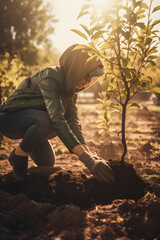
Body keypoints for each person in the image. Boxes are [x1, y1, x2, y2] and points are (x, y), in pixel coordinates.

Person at [0, 44, 115, 183]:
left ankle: (16, 162)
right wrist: (88, 162)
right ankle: (20, 155)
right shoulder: (50, 79)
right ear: (76, 70)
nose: (89, 82)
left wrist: (92, 157)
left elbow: (73, 123)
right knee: (49, 121)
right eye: (88, 76)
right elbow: (58, 121)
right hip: (9, 119)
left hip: (34, 121)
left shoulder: (70, 89)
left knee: (47, 162)